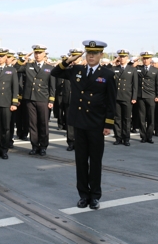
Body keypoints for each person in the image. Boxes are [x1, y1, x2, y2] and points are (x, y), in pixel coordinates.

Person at [51, 40, 116, 210]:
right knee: (80, 161)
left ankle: (94, 196)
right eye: (89, 53)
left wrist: (108, 123)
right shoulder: (77, 70)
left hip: (96, 123)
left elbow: (111, 101)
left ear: (101, 55)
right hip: (79, 122)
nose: (92, 56)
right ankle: (83, 195)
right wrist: (69, 60)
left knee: (95, 162)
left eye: (95, 53)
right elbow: (55, 72)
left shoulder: (107, 74)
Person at [14, 45, 55, 156]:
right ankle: (34, 146)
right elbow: (16, 68)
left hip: (43, 99)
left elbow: (52, 86)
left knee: (43, 124)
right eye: (36, 53)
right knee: (33, 124)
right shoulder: (28, 66)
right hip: (30, 98)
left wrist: (51, 100)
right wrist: (23, 59)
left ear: (44, 55)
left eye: (40, 53)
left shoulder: (49, 68)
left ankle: (43, 146)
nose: (37, 55)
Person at [112, 49, 138, 146]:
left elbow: (135, 85)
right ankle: (118, 137)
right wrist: (113, 62)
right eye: (120, 57)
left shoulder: (132, 69)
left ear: (127, 58)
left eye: (124, 57)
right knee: (117, 118)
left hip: (127, 97)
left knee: (127, 119)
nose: (122, 59)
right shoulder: (114, 69)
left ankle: (126, 138)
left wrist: (134, 97)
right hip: (117, 97)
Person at [135, 51, 158, 144]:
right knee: (142, 118)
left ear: (150, 59)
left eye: (147, 59)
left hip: (151, 95)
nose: (145, 60)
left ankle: (149, 136)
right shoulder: (138, 68)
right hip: (141, 95)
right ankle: (143, 136)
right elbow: (129, 67)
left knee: (151, 117)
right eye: (144, 58)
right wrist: (134, 61)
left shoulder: (155, 70)